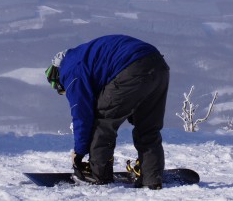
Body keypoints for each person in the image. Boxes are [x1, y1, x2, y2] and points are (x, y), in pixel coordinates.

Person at [44, 34, 170, 189]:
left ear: (56, 76)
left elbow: (82, 116)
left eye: (62, 90)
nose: (65, 93)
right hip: (158, 65)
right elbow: (129, 97)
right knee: (148, 128)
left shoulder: (70, 72)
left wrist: (79, 152)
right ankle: (152, 178)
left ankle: (99, 174)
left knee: (102, 122)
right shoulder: (82, 56)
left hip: (132, 68)